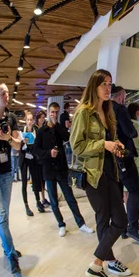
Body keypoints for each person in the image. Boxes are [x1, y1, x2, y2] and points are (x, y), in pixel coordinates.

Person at [70, 69, 132, 277]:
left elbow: (109, 140)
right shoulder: (84, 113)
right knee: (103, 220)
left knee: (121, 220)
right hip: (93, 174)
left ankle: (97, 263)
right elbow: (76, 146)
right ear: (94, 86)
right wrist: (103, 144)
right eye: (104, 84)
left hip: (110, 171)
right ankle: (110, 262)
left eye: (110, 84)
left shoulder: (108, 111)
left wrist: (115, 145)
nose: (108, 88)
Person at [34, 102, 94, 238]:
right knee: (54, 201)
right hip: (48, 171)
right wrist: (49, 153)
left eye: (56, 112)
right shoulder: (41, 131)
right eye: (52, 112)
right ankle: (61, 224)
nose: (54, 114)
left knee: (70, 197)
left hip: (61, 170)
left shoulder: (59, 128)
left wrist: (59, 127)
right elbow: (36, 150)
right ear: (48, 112)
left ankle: (81, 224)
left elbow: (68, 138)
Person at [111, 85, 139, 244]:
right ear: (120, 96)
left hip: (112, 158)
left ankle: (123, 228)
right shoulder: (120, 109)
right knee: (135, 190)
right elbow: (131, 132)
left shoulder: (104, 110)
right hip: (124, 155)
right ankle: (133, 227)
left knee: (120, 193)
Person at [0, 83, 22, 273]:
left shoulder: (11, 117)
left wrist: (8, 139)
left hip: (6, 172)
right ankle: (11, 256)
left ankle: (6, 246)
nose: (6, 95)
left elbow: (19, 146)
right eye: (2, 92)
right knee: (1, 215)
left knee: (5, 214)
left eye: (7, 92)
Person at [20, 111, 45, 216]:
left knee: (35, 179)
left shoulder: (36, 131)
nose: (29, 121)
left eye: (31, 120)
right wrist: (22, 142)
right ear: (25, 121)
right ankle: (26, 205)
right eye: (28, 120)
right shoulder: (21, 131)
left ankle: (38, 201)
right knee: (24, 182)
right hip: (24, 158)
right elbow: (17, 146)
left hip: (33, 158)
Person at [35, 110, 50, 208]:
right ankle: (39, 199)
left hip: (43, 157)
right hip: (36, 158)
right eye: (41, 117)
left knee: (44, 180)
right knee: (38, 180)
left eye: (44, 117)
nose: (42, 119)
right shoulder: (35, 129)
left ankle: (44, 198)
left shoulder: (45, 129)